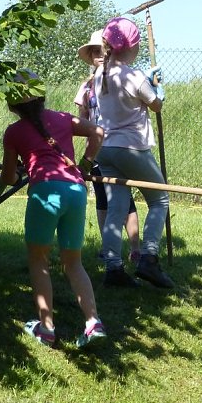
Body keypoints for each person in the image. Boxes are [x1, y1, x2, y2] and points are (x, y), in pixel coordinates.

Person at [0, 70, 107, 348]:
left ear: (12, 104)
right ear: (42, 96)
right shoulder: (62, 118)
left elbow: (8, 178)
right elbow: (98, 131)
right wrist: (84, 165)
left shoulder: (13, 132)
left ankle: (46, 328)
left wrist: (21, 167)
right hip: (76, 191)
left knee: (39, 259)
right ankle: (93, 323)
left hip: (45, 191)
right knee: (73, 262)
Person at [94, 17, 174, 289]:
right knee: (159, 199)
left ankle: (113, 268)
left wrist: (148, 83)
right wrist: (157, 87)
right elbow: (156, 105)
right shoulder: (133, 75)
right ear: (132, 47)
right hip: (131, 147)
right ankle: (149, 259)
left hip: (105, 148)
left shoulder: (100, 74)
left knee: (116, 208)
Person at [75, 29, 141, 265]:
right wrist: (88, 151)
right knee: (103, 198)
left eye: (102, 50)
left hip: (120, 143)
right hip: (98, 149)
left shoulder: (119, 79)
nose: (99, 55)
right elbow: (82, 117)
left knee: (125, 198)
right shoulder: (87, 85)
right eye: (94, 52)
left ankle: (135, 248)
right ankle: (108, 247)